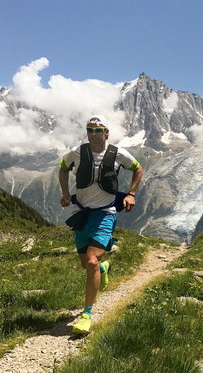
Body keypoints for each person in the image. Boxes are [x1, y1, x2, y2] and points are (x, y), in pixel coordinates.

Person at [59, 115, 143, 334]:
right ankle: (104, 269)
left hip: (105, 213)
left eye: (98, 130)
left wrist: (131, 194)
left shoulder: (119, 154)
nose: (93, 134)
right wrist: (66, 193)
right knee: (85, 265)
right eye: (90, 130)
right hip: (81, 212)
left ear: (106, 133)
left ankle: (86, 314)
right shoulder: (77, 152)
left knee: (92, 260)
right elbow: (62, 167)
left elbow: (138, 168)